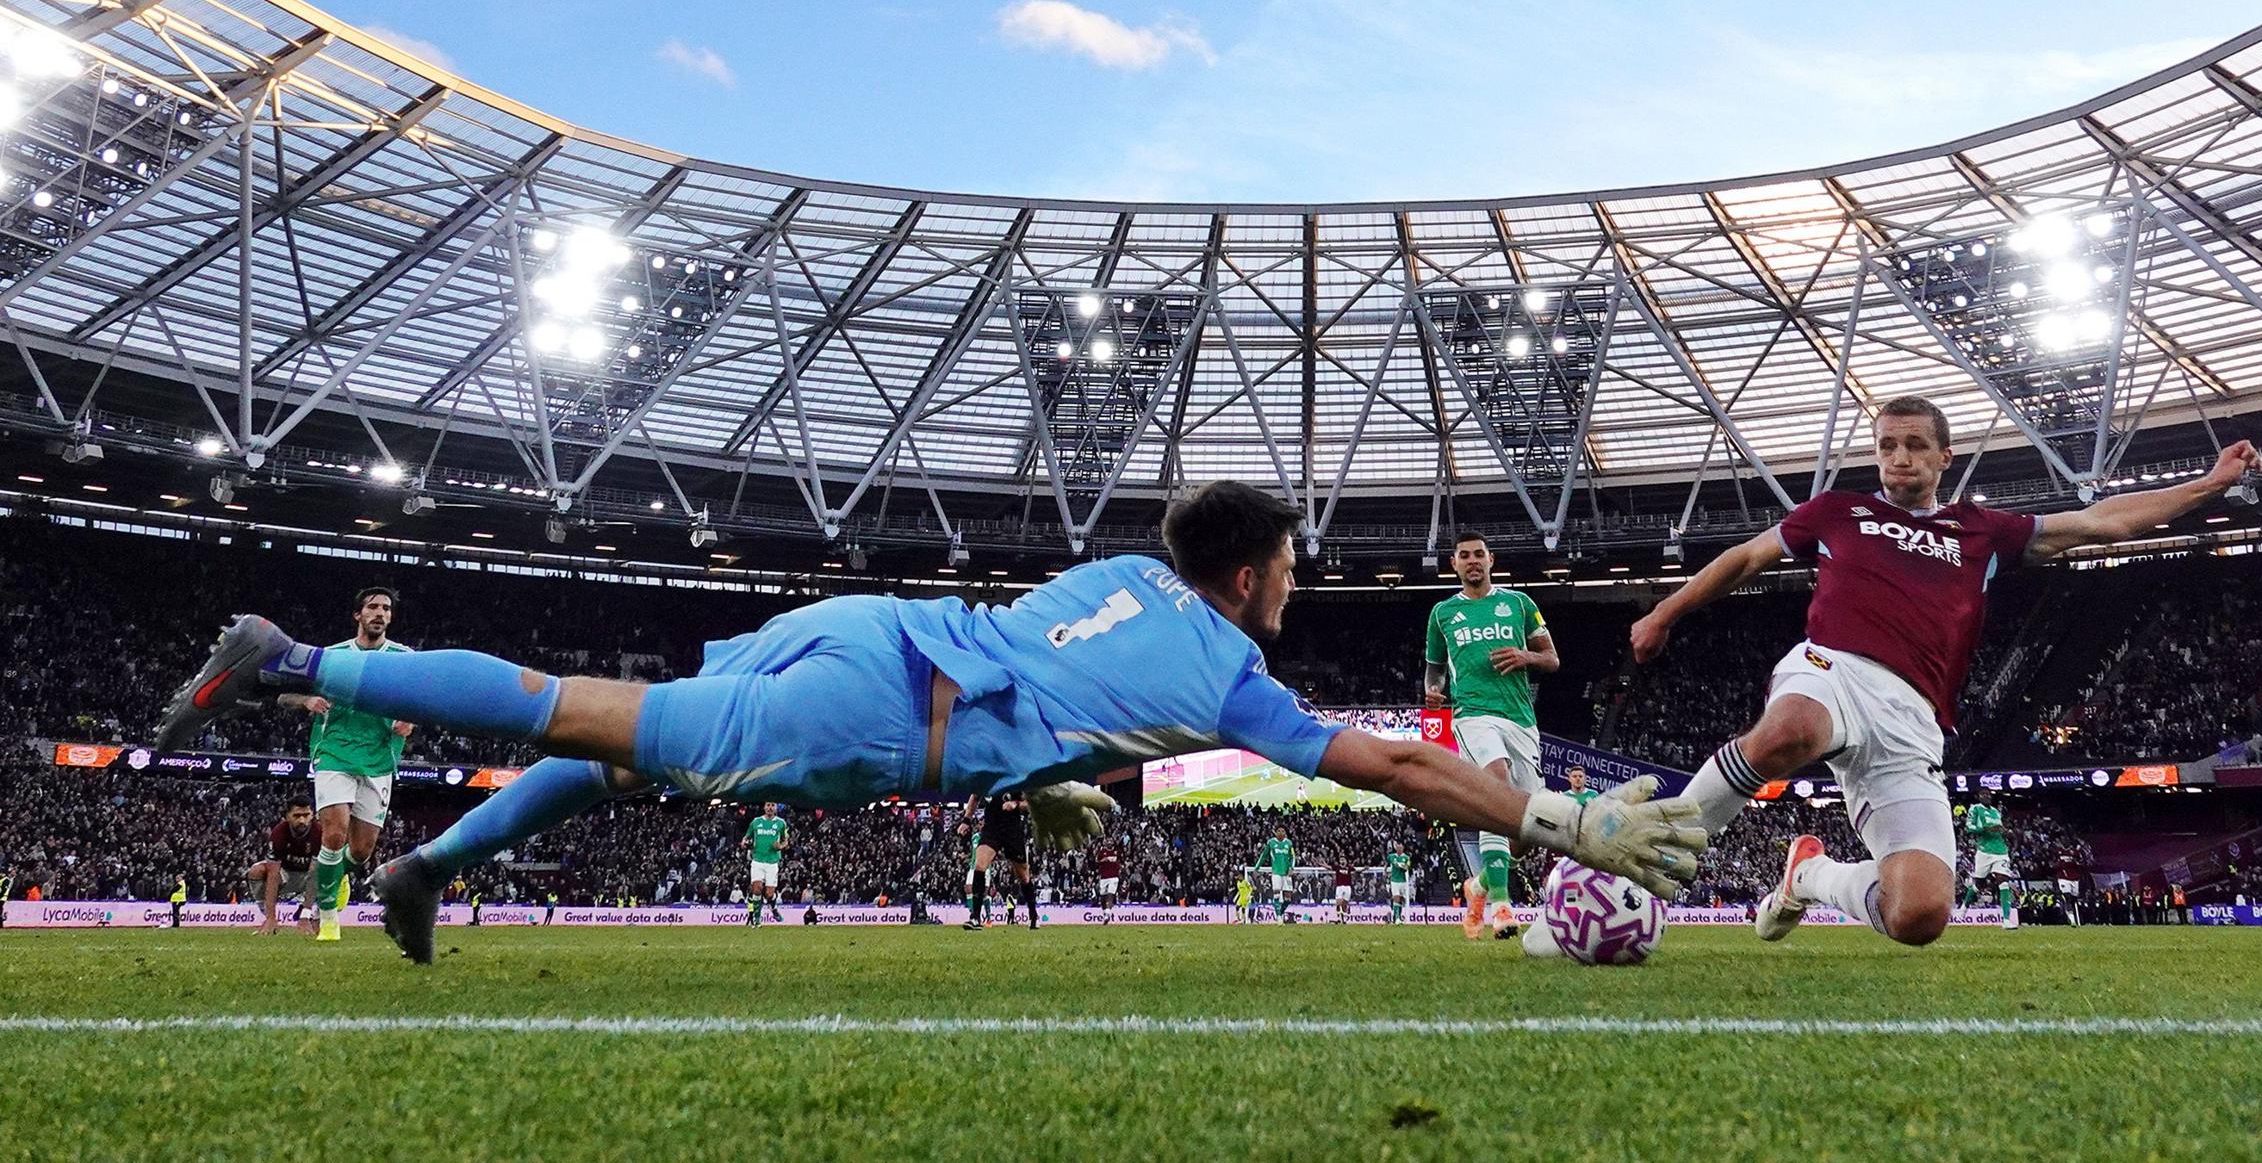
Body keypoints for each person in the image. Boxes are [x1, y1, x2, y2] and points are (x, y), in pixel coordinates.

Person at [159, 480, 1701, 964]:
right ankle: (297, 655)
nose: (1296, 590)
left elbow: (1068, 689)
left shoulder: (1119, 574)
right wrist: (1569, 818)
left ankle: (431, 870)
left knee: (625, 743)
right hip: (884, 708)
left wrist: (1059, 779)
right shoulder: (1234, 673)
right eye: (1291, 570)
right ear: (1249, 573)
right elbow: (1403, 759)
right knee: (594, 711)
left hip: (875, 627)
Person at [1630, 395, 2256, 949]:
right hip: (1834, 667)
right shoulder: (1836, 511)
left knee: (1920, 915)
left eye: (1915, 445)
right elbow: (1746, 557)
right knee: (1790, 730)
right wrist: (1663, 613)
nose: (1899, 457)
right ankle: (1647, 862)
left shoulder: (1982, 530)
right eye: (1887, 446)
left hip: (1913, 719)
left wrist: (2210, 482)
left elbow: (2103, 521)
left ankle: (1811, 877)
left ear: (1943, 457)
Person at [1423, 530, 1557, 941]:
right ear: (1455, 564)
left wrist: (1525, 656)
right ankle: (1502, 906)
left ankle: (1479, 885)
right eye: (1464, 555)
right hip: (1472, 715)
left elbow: (1551, 659)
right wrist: (1432, 690)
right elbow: (1435, 669)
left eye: (1479, 554)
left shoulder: (1518, 604)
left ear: (1491, 559)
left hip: (1520, 720)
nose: (1472, 561)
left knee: (1529, 831)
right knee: (1494, 787)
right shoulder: (1443, 613)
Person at [272, 588, 414, 942]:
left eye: (385, 608)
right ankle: (329, 915)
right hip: (333, 753)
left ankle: (332, 879)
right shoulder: (330, 657)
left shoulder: (405, 658)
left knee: (362, 850)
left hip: (380, 758)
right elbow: (280, 694)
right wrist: (306, 700)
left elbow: (424, 700)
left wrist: (412, 719)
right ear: (358, 615)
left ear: (391, 617)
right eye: (372, 607)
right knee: (334, 834)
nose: (379, 613)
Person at [248, 802, 322, 936]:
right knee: (256, 871)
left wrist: (305, 915)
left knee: (329, 872)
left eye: (306, 815)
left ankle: (315, 917)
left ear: (313, 816)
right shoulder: (279, 833)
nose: (302, 820)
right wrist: (271, 916)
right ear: (287, 816)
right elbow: (273, 874)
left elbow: (315, 874)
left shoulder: (319, 833)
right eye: (297, 815)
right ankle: (269, 919)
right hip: (286, 875)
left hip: (310, 877)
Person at [968, 790, 1035, 928]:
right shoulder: (986, 776)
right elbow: (974, 797)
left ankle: (1033, 915)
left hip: (1012, 830)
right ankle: (975, 917)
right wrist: (966, 820)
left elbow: (1031, 803)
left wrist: (1015, 804)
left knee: (1023, 876)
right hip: (991, 830)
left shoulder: (1016, 777)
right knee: (980, 865)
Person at [1963, 797, 2019, 929]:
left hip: (2001, 851)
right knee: (1979, 884)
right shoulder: (1975, 809)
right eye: (1983, 793)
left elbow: (1998, 829)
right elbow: (1969, 827)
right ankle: (1964, 907)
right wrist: (1986, 829)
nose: (1986, 796)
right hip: (1984, 851)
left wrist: (2005, 832)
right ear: (1979, 796)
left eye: (1988, 794)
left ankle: (2006, 920)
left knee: (2004, 882)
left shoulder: (1995, 811)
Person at [742, 803, 788, 928]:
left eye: (772, 805)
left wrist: (781, 846)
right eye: (768, 805)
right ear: (764, 807)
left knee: (769, 894)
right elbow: (746, 837)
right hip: (757, 860)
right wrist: (744, 842)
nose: (770, 808)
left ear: (776, 808)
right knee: (756, 889)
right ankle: (756, 920)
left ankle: (773, 908)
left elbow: (785, 840)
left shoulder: (781, 823)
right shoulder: (756, 822)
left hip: (772, 862)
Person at [1262, 829, 1296, 923]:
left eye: (1283, 831)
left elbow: (1293, 857)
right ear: (1276, 833)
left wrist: (1291, 868)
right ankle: (1279, 917)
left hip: (1287, 874)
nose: (1281, 832)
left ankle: (1280, 914)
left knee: (1288, 898)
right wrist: (1257, 867)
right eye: (1279, 831)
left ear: (1285, 833)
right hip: (1276, 873)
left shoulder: (1289, 843)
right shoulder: (1271, 842)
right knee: (1276, 895)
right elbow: (1264, 855)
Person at [2055, 850, 2085, 928]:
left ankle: (2078, 918)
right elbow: (2054, 864)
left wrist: (2077, 861)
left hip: (2075, 879)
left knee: (2074, 899)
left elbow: (2081, 862)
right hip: (2063, 878)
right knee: (2067, 897)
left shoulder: (2075, 852)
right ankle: (2072, 920)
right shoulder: (2057, 851)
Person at [1093, 840, 1121, 919]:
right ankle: (1105, 913)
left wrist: (1119, 867)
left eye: (1110, 841)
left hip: (1114, 876)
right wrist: (1102, 860)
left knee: (1110, 893)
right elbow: (1096, 862)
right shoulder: (1102, 852)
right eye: (1108, 841)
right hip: (1104, 877)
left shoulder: (1117, 851)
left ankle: (1108, 911)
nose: (1109, 842)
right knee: (1102, 897)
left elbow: (1121, 860)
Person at [1386, 846, 1413, 924]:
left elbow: (1407, 867)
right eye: (1397, 847)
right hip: (1394, 880)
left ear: (1403, 848)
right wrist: (1385, 870)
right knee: (1396, 898)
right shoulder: (1391, 856)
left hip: (1403, 881)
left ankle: (1398, 918)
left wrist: (1400, 865)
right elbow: (1388, 863)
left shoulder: (1406, 857)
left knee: (1401, 900)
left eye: (1400, 847)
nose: (1399, 849)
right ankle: (1397, 918)